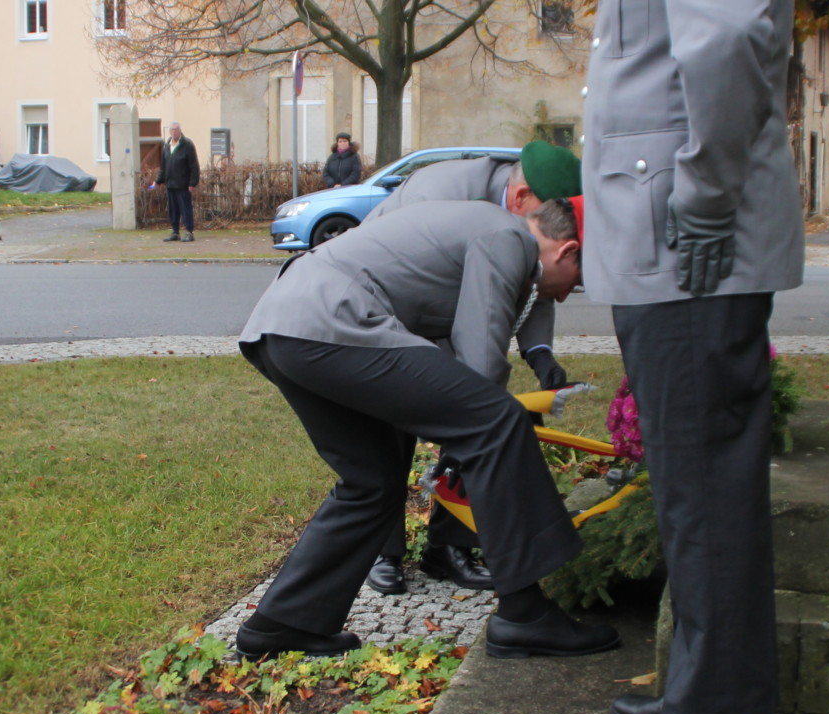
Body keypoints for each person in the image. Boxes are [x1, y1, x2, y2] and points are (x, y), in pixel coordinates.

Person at [582, 0, 804, 714]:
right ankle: (701, 686)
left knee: (705, 474)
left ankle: (716, 711)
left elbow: (727, 41)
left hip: (690, 244)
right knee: (689, 470)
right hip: (674, 243)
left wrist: (705, 193)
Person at [234, 197, 618, 663]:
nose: (563, 294)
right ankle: (525, 615)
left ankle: (282, 624)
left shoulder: (481, 229)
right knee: (498, 420)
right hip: (335, 320)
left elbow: (440, 347)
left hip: (284, 328)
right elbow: (479, 356)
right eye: (575, 283)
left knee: (371, 482)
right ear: (568, 251)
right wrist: (468, 431)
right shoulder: (508, 237)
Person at [358, 139, 584, 595]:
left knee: (473, 414)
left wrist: (539, 352)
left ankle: (448, 544)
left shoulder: (524, 224)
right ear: (521, 200)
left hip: (455, 315)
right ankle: (383, 550)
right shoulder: (440, 193)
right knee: (392, 425)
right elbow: (416, 283)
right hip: (389, 311)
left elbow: (533, 276)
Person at [156, 122, 199, 242]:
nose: (174, 132)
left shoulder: (187, 145)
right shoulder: (167, 146)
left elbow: (194, 166)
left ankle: (189, 232)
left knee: (185, 208)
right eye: (172, 130)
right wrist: (158, 181)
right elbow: (163, 166)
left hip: (183, 184)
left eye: (176, 130)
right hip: (170, 184)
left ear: (180, 131)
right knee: (173, 209)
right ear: (169, 132)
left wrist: (192, 183)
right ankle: (175, 232)